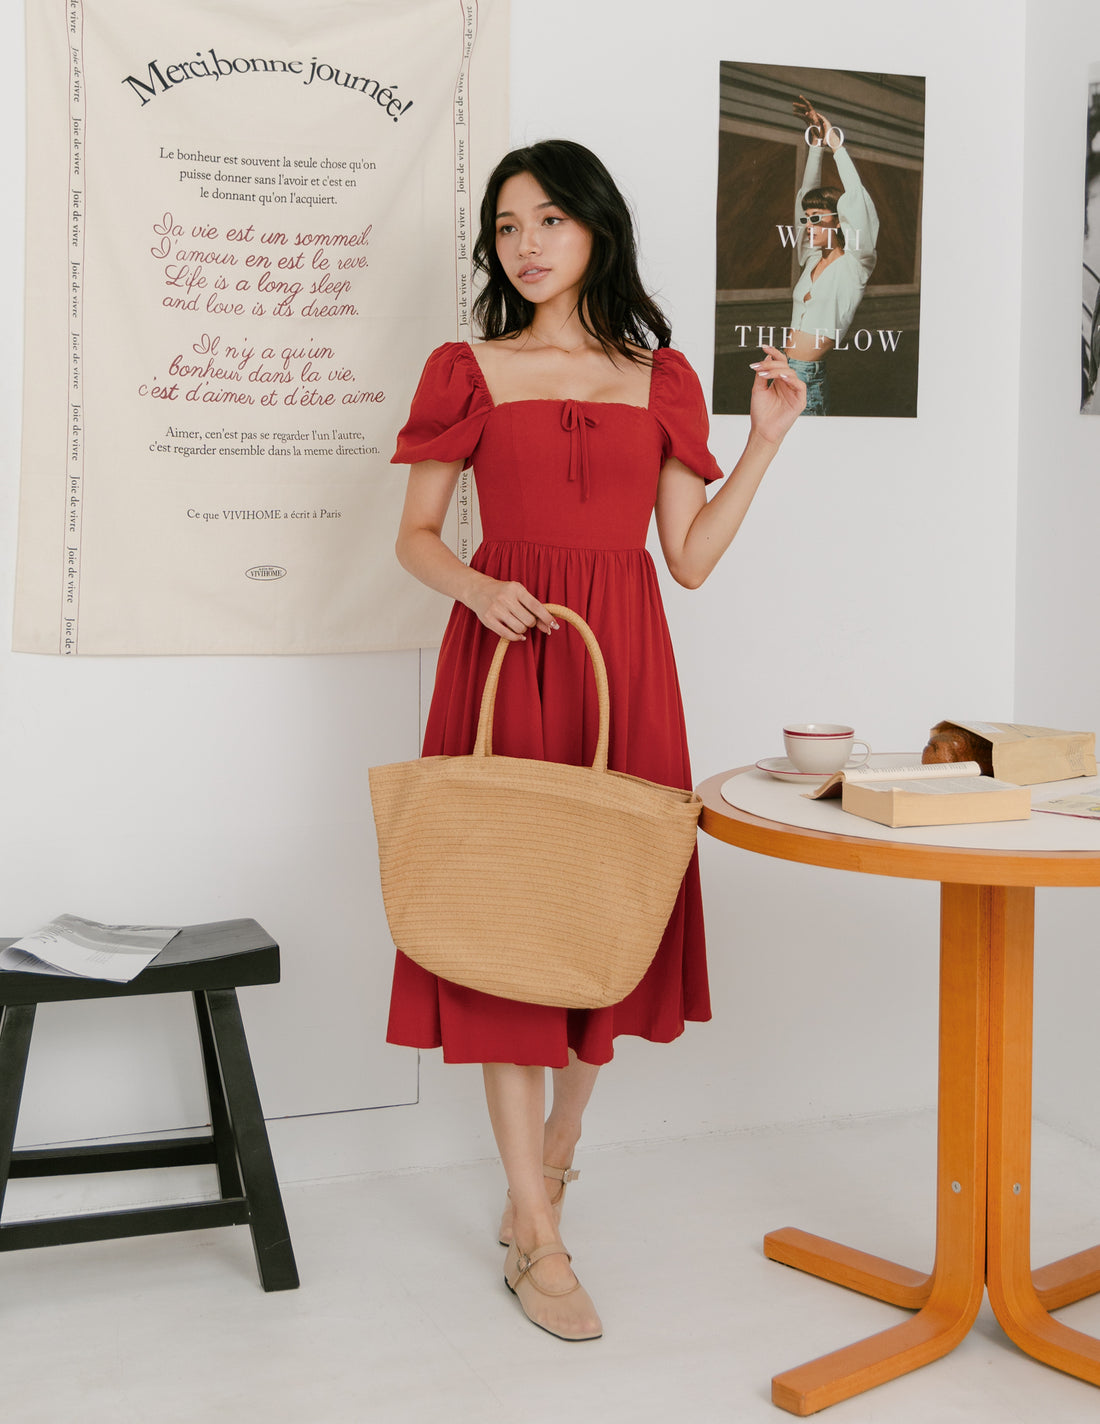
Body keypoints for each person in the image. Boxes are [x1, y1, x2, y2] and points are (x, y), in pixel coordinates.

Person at [388, 139, 804, 1342]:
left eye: (549, 220)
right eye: (505, 225)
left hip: (622, 671)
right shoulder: (467, 367)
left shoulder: (659, 375)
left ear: (595, 229)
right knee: (503, 928)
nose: (525, 244)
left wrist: (763, 439)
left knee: (602, 916)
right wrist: (476, 588)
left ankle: (560, 1144)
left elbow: (687, 556)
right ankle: (536, 1227)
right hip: (505, 660)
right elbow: (415, 534)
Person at [784, 96, 879, 415]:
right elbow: (804, 196)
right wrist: (816, 145)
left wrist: (834, 142)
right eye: (806, 219)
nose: (808, 225)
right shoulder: (811, 259)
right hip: (784, 372)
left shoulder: (856, 265)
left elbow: (857, 201)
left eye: (817, 219)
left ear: (838, 221)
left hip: (808, 382)